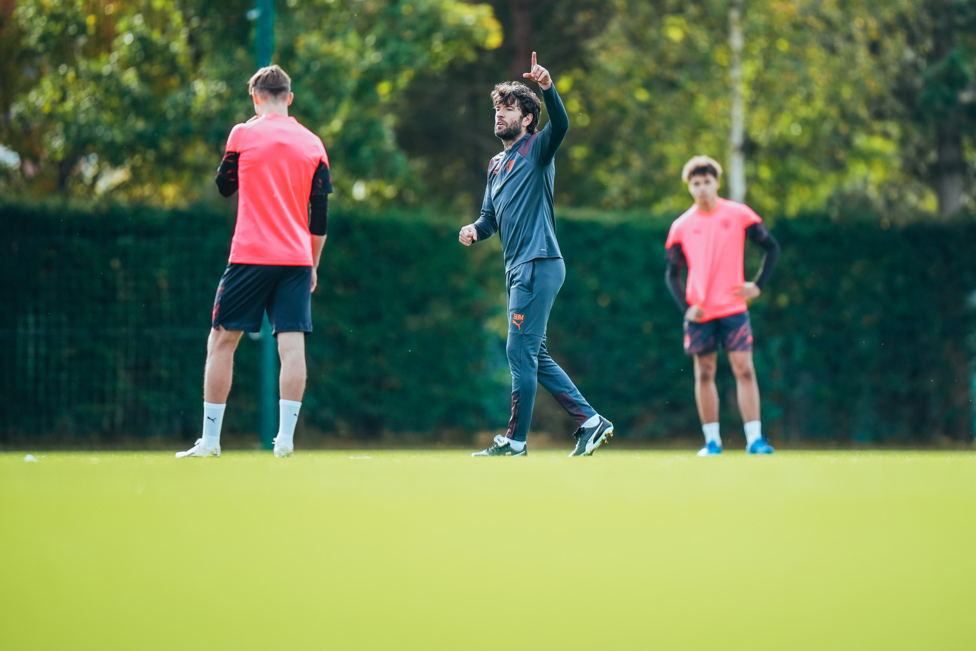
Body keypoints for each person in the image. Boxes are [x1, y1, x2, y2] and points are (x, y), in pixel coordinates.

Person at [459, 52, 613, 458]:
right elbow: (490, 217)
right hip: (519, 269)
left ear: (527, 119)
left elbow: (561, 124)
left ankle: (515, 440)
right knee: (532, 352)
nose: (499, 116)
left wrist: (547, 86)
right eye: (497, 109)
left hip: (539, 262)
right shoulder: (495, 164)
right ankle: (591, 421)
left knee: (518, 351)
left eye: (507, 109)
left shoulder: (538, 148)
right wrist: (476, 229)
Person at [177, 65, 332, 459]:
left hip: (250, 255)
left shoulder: (243, 133)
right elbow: (320, 220)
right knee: (292, 345)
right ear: (290, 98)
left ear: (256, 97)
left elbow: (224, 185)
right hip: (296, 259)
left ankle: (211, 442)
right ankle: (285, 441)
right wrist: (312, 264)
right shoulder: (313, 143)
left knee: (221, 342)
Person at [664, 156, 780, 456]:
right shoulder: (681, 226)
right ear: (689, 187)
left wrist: (757, 285)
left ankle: (755, 439)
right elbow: (671, 274)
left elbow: (771, 247)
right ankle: (711, 442)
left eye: (707, 181)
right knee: (704, 373)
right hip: (701, 314)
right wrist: (686, 307)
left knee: (744, 369)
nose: (702, 188)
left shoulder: (739, 214)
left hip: (734, 309)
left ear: (717, 183)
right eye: (696, 183)